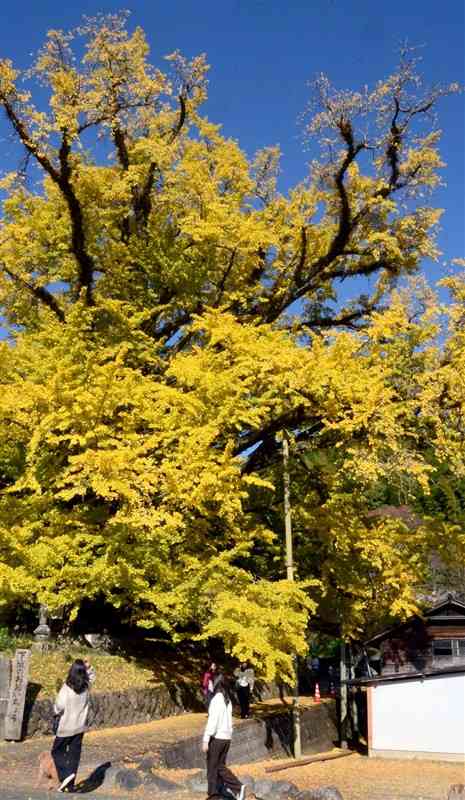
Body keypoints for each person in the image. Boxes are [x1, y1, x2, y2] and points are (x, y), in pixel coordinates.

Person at [51, 658, 95, 792]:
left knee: (57, 752)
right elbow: (92, 677)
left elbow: (59, 705)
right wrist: (89, 667)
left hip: (66, 727)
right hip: (79, 727)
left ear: (71, 671)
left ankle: (65, 774)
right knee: (74, 755)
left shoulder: (67, 687)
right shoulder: (86, 686)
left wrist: (55, 710)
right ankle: (69, 786)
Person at [202, 674, 246, 800]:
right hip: (226, 738)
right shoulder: (228, 700)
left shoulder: (217, 699)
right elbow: (229, 722)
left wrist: (206, 738)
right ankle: (216, 793)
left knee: (214, 767)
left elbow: (213, 721)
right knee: (217, 766)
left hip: (217, 738)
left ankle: (236, 787)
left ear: (216, 684)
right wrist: (229, 734)